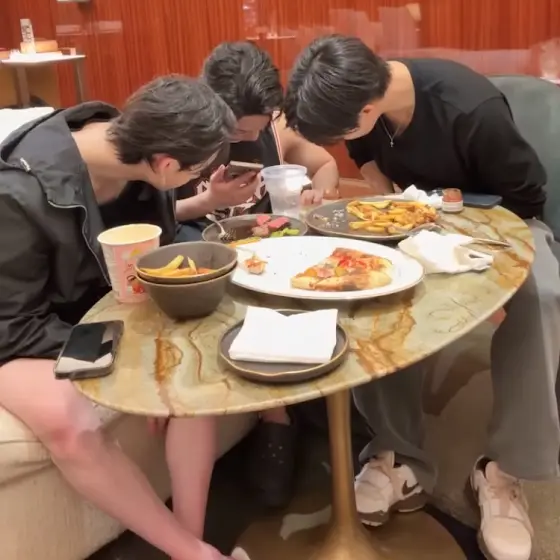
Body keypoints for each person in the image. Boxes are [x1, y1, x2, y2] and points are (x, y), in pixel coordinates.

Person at [284, 35, 560, 560]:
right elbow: (364, 154)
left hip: (504, 221)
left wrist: (446, 217)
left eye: (341, 132)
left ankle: (505, 470)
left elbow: (528, 195)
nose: (343, 141)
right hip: (415, 219)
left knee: (543, 293)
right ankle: (397, 453)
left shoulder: (471, 109)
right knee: (367, 286)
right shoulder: (362, 100)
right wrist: (388, 197)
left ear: (366, 111)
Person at [0, 75, 241, 560]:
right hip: (18, 329)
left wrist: (156, 356)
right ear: (167, 164)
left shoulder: (138, 155)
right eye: (196, 171)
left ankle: (191, 535)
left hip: (94, 314)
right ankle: (193, 553)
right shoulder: (18, 191)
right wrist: (125, 358)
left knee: (194, 362)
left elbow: (154, 262)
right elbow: (13, 322)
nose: (196, 179)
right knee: (68, 423)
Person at [176, 41, 340, 509]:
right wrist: (208, 201)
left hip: (268, 250)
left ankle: (324, 405)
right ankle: (277, 418)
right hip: (203, 254)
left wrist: (317, 194)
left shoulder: (274, 126)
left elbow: (326, 165)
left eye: (255, 127)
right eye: (235, 129)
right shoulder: (179, 130)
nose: (246, 137)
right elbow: (155, 216)